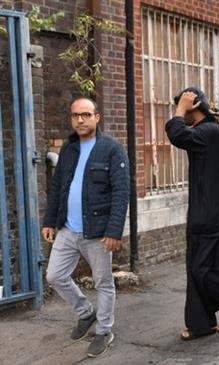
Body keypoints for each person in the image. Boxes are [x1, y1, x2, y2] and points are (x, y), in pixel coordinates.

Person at [42, 97, 129, 357]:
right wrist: (49, 221)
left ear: (96, 117)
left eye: (86, 115)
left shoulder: (112, 149)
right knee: (54, 276)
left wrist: (114, 231)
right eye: (76, 115)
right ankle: (86, 313)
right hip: (68, 228)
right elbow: (57, 188)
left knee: (103, 282)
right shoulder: (69, 150)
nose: (80, 120)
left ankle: (104, 330)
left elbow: (121, 192)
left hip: (98, 232)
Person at [166, 87, 219, 341]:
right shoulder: (216, 129)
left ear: (195, 107)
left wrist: (181, 110)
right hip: (209, 209)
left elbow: (176, 134)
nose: (180, 114)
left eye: (183, 109)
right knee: (198, 267)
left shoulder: (209, 131)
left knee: (204, 268)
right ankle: (201, 324)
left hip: (214, 213)